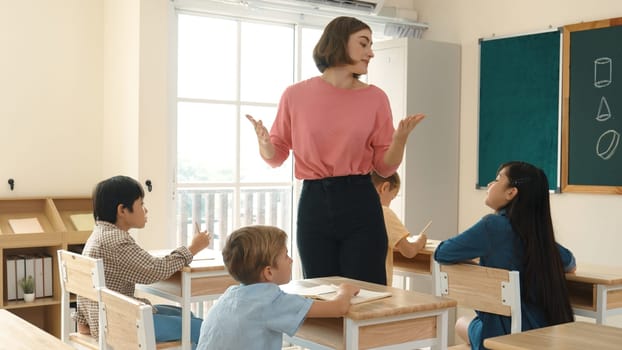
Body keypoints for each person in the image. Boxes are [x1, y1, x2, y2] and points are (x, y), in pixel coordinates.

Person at [246, 16, 425, 285]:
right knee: (320, 292)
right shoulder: (295, 95)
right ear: (340, 43)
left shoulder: (375, 98)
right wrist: (265, 144)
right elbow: (277, 157)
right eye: (364, 44)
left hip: (360, 201)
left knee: (366, 294)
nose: (371, 52)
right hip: (315, 203)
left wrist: (399, 140)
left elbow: (385, 167)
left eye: (371, 45)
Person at [434, 161, 576, 349]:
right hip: (542, 334)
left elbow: (442, 252)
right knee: (466, 324)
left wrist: (474, 256)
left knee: (461, 323)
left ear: (511, 193)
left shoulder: (492, 226)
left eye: (497, 179)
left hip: (500, 336)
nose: (490, 184)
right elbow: (570, 263)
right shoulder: (539, 238)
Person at [75, 175, 211, 349]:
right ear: (122, 210)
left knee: (187, 316)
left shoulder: (98, 234)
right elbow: (154, 271)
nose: (145, 210)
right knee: (201, 327)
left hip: (107, 318)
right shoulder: (116, 241)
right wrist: (193, 248)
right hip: (120, 324)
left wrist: (82, 319)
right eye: (141, 204)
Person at [197, 225, 359, 350]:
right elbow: (338, 308)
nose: (291, 260)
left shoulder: (230, 295)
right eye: (286, 255)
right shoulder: (271, 301)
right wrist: (345, 290)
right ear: (268, 272)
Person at [370, 171, 427, 286]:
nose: (390, 203)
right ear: (384, 188)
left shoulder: (353, 210)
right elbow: (409, 251)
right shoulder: (383, 212)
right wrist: (421, 240)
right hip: (377, 288)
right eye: (392, 197)